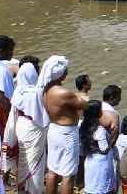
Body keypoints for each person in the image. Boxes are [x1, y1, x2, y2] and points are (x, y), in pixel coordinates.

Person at [41, 56, 86, 194]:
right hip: (66, 133)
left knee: (53, 170)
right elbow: (83, 104)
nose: (67, 73)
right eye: (66, 70)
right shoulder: (63, 93)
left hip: (53, 129)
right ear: (60, 74)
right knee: (68, 174)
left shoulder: (45, 89)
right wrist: (83, 96)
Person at [1, 62, 47, 194]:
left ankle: (21, 187)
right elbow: (44, 118)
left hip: (20, 127)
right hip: (34, 129)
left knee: (23, 159)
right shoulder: (38, 93)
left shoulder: (18, 92)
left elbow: (13, 115)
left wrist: (7, 144)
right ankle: (33, 190)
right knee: (35, 162)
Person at [80, 101, 116, 194]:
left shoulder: (83, 126)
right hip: (101, 164)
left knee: (91, 187)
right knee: (103, 188)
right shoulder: (100, 130)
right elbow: (104, 150)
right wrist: (112, 135)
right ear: (98, 113)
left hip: (89, 161)